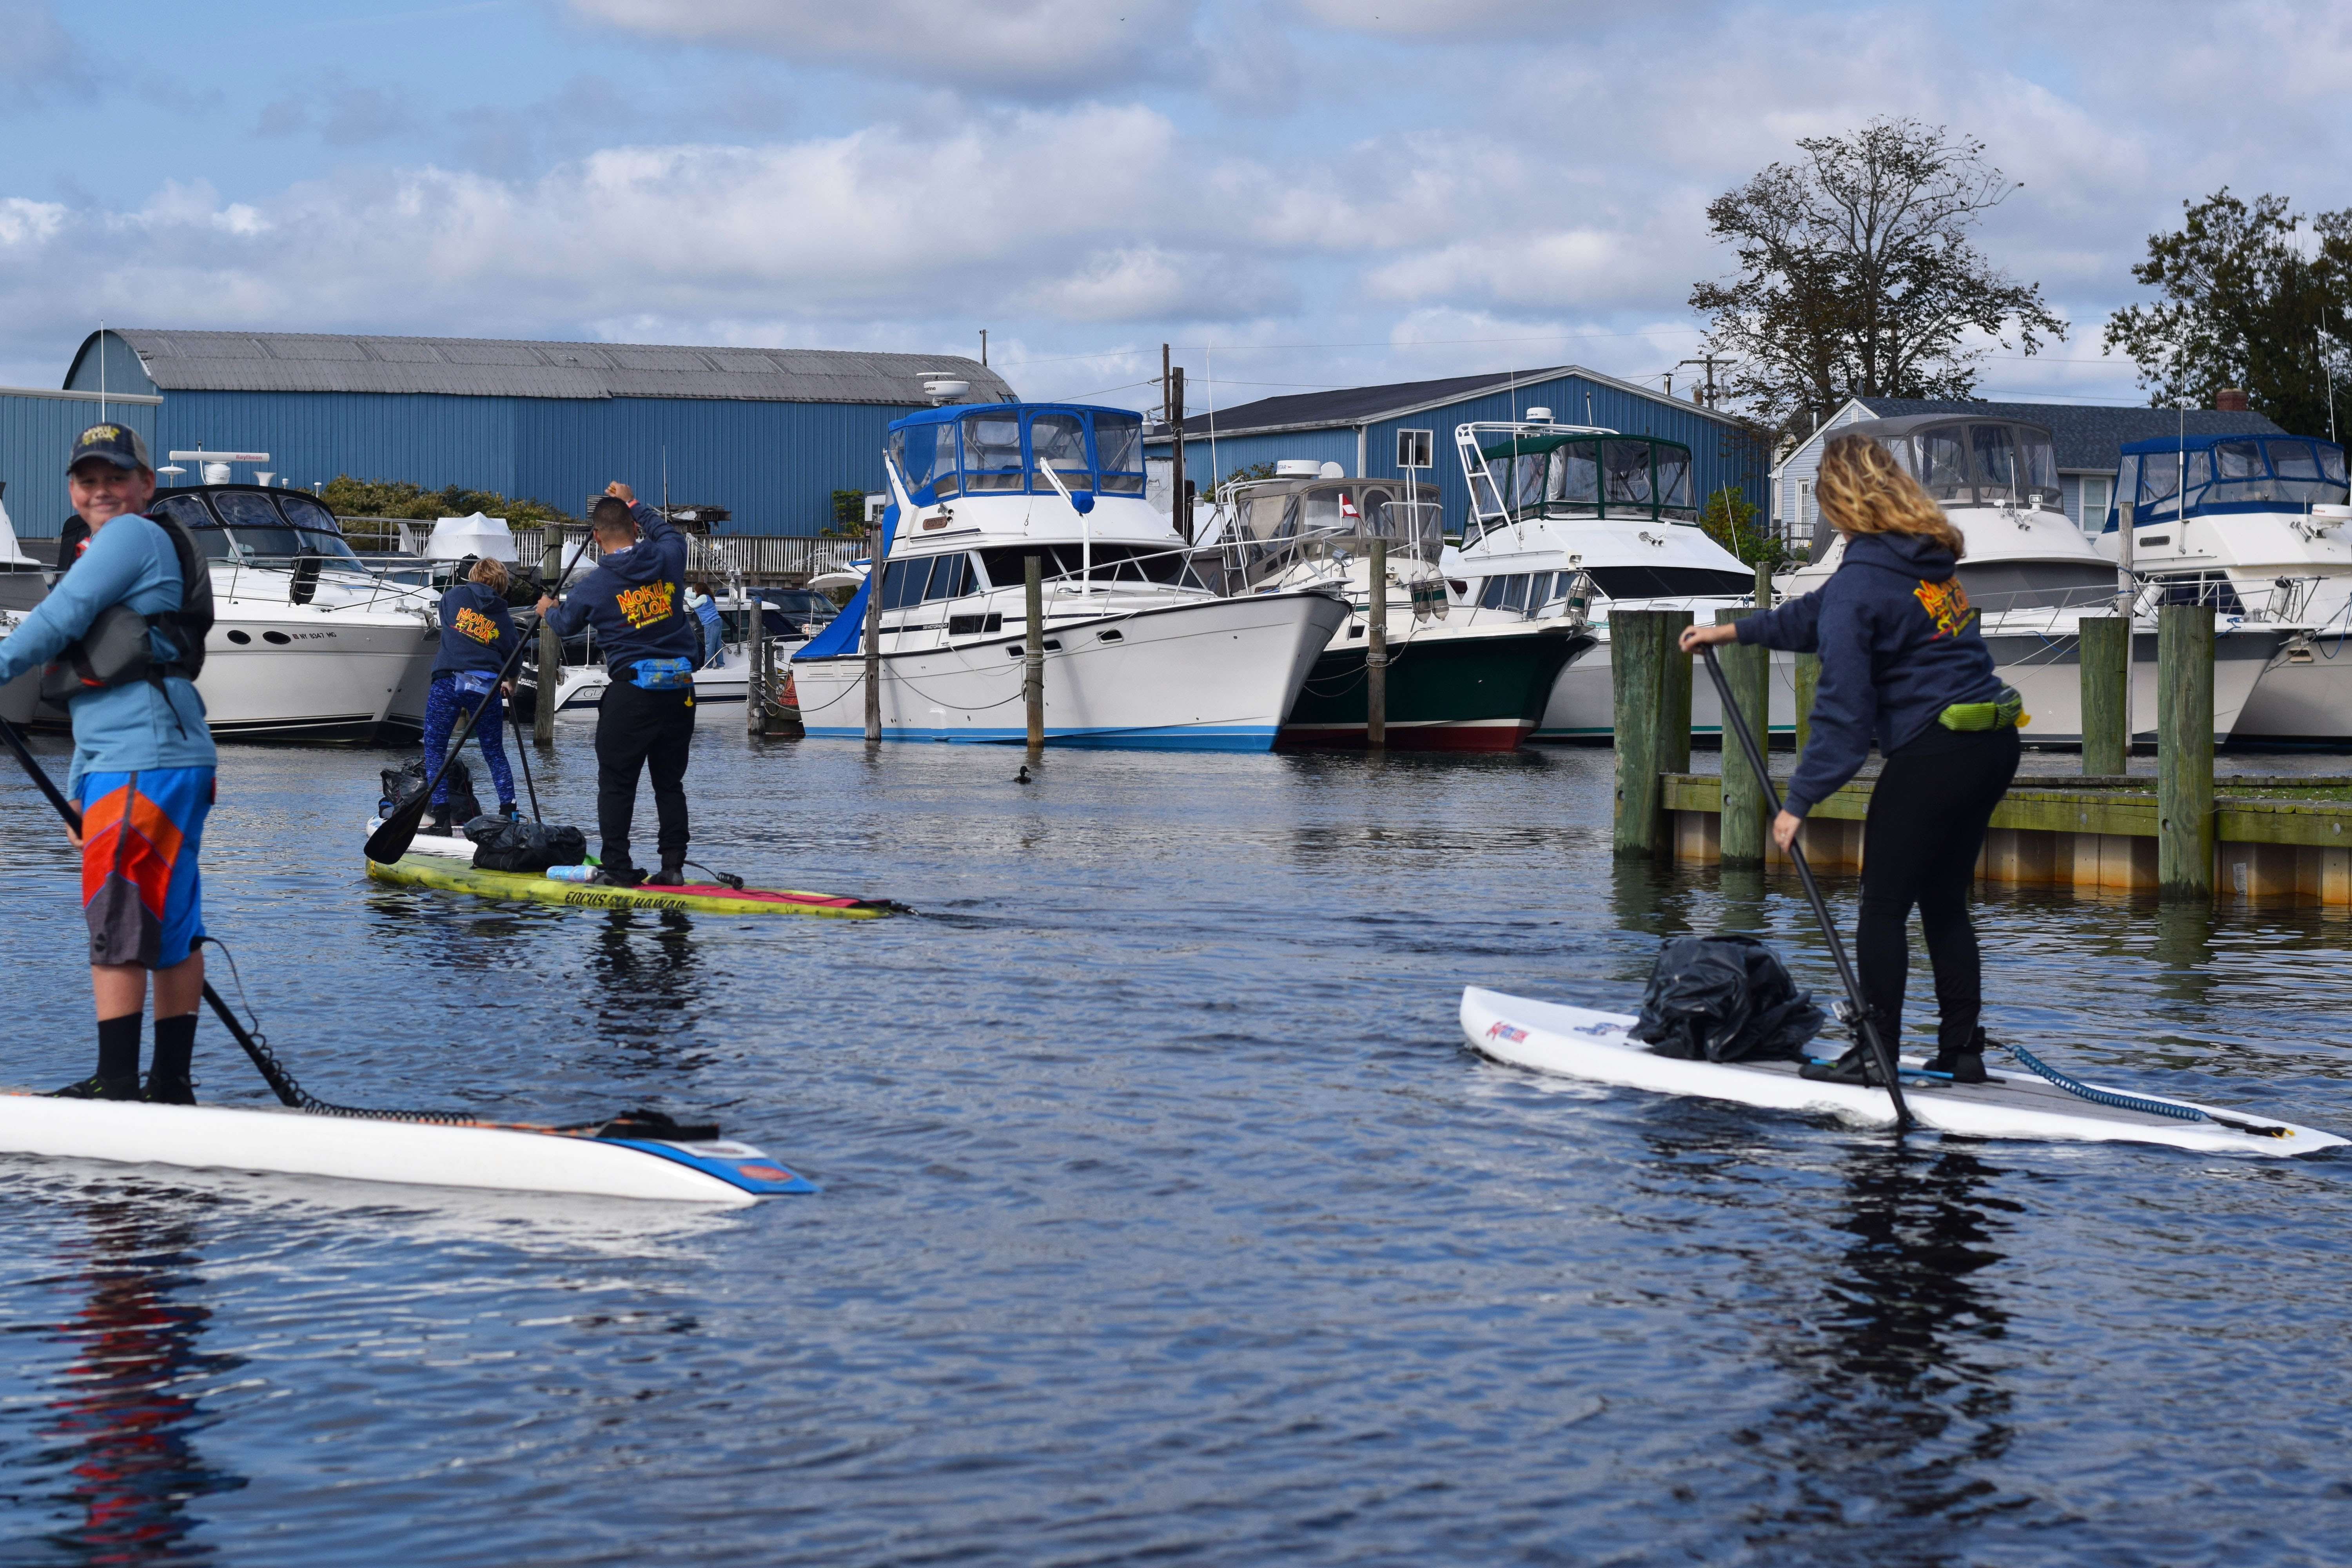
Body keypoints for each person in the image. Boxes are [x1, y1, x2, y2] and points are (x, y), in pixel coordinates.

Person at [1680, 432, 2022, 1086]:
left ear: (1840, 503)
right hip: (1991, 744)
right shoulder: (1923, 559)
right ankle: (1962, 1050)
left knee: (1883, 906)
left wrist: (1799, 802)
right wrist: (1734, 631)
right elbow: (1819, 614)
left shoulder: (1864, 579)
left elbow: (1843, 714)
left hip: (1935, 752)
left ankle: (1876, 1053)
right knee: (1944, 902)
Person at [0, 424, 218, 1102]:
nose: (103, 492)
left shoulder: (129, 535)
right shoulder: (128, 544)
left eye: (117, 478)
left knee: (119, 915)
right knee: (173, 927)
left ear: (146, 487)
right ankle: (171, 1085)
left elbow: (60, 617)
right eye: (89, 480)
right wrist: (77, 792)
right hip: (161, 757)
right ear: (72, 489)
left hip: (142, 761)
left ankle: (118, 1085)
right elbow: (99, 700)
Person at [537, 481, 696, 886]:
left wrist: (548, 610)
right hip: (679, 690)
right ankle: (673, 867)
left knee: (617, 784)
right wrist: (634, 502)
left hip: (632, 695)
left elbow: (567, 625)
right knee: (669, 783)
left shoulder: (594, 586)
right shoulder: (668, 557)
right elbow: (668, 533)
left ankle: (618, 869)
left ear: (595, 538)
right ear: (635, 527)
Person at [422, 555, 519, 833]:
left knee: (436, 749)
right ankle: (509, 813)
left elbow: (446, 621)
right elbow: (513, 656)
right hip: (486, 688)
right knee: (494, 752)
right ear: (501, 585)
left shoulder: (453, 597)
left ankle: (441, 818)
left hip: (448, 682)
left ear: (473, 576)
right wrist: (511, 684)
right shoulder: (503, 616)